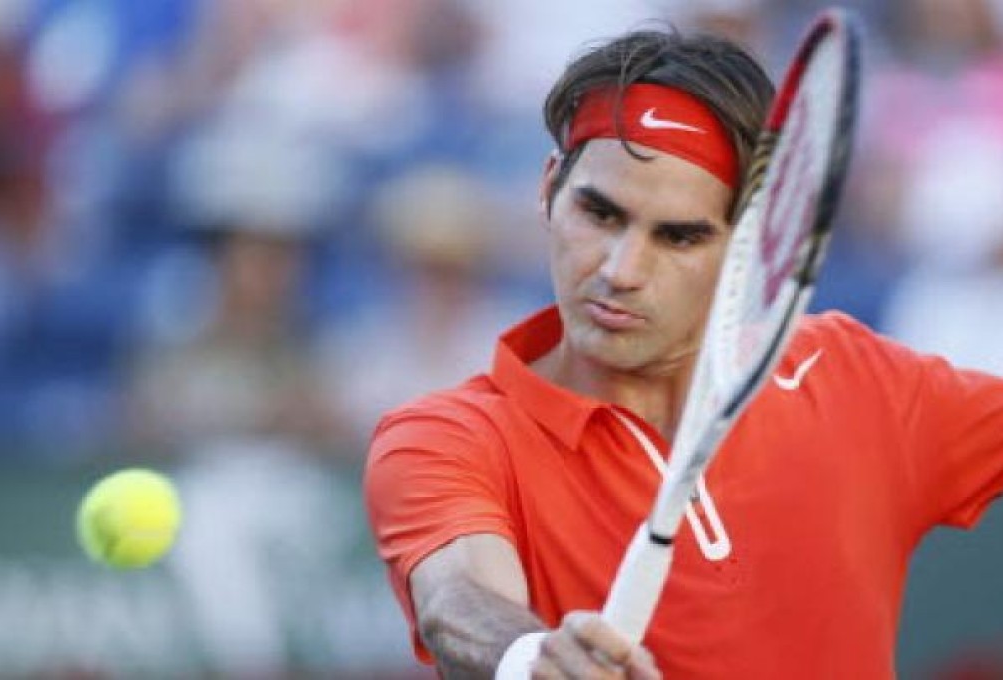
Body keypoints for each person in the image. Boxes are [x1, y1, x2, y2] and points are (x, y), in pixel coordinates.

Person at [364, 26, 1003, 679]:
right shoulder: (445, 439)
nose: (620, 270)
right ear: (550, 186)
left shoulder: (852, 376)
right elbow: (457, 601)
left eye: (678, 238)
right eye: (600, 214)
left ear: (748, 248)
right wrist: (533, 658)